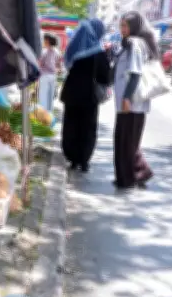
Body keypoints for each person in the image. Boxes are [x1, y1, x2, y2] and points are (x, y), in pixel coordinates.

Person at [59, 18, 113, 172]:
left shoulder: (74, 48)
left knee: (71, 126)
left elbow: (67, 64)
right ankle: (84, 161)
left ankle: (72, 159)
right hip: (89, 97)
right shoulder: (98, 52)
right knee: (87, 128)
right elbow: (105, 77)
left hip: (71, 94)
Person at [113, 11, 157, 190]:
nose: (122, 29)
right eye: (121, 25)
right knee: (126, 141)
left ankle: (129, 178)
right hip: (128, 103)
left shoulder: (135, 43)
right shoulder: (129, 44)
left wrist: (126, 98)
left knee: (126, 142)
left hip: (132, 103)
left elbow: (135, 73)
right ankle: (136, 174)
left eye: (125, 25)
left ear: (134, 26)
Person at [38, 34, 62, 112]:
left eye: (44, 40)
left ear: (47, 41)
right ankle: (49, 114)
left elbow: (43, 64)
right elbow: (59, 65)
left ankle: (43, 115)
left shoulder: (45, 51)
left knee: (43, 98)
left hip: (45, 76)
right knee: (50, 98)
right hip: (53, 76)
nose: (43, 41)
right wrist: (56, 70)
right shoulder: (57, 51)